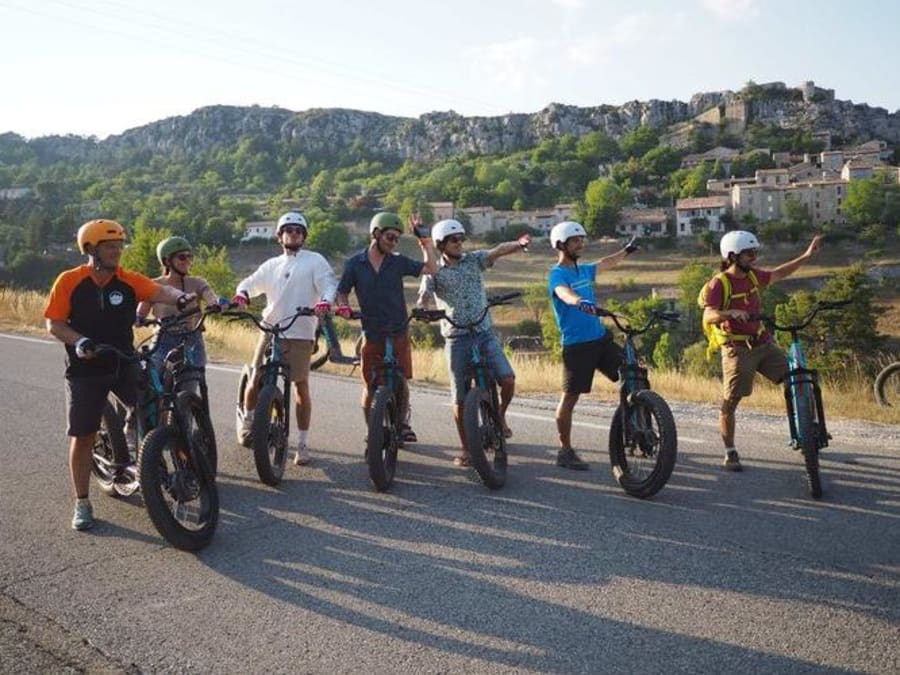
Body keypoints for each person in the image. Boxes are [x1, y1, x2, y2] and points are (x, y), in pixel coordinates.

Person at [45, 219, 196, 531]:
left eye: (119, 247)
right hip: (85, 367)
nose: (116, 252)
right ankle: (82, 503)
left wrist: (179, 298)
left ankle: (149, 461)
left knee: (152, 404)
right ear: (91, 249)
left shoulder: (127, 280)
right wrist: (80, 341)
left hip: (123, 360)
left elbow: (158, 290)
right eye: (109, 247)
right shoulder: (70, 280)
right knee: (83, 435)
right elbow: (55, 323)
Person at [702, 230, 822, 471]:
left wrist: (806, 255)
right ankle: (730, 451)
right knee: (731, 401)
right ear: (733, 256)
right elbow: (709, 314)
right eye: (749, 254)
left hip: (762, 343)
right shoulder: (720, 283)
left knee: (798, 378)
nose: (754, 258)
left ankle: (806, 433)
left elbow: (779, 273)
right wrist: (729, 313)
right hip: (738, 349)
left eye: (755, 253)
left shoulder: (754, 276)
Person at [416, 219, 529, 466]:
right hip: (456, 339)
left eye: (461, 239)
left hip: (484, 333)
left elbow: (497, 250)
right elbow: (423, 296)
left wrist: (519, 245)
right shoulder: (434, 270)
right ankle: (467, 449)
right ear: (441, 244)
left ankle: (500, 416)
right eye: (454, 240)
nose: (459, 243)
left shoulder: (474, 260)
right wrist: (421, 310)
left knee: (507, 379)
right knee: (459, 398)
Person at [233, 211, 338, 466]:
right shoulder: (271, 265)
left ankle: (302, 443)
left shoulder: (314, 261)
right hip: (271, 327)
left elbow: (329, 284)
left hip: (301, 330)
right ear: (280, 236)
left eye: (299, 231)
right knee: (257, 374)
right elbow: (250, 282)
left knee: (300, 384)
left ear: (304, 236)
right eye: (289, 230)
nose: (294, 234)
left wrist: (325, 301)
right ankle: (248, 422)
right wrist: (243, 294)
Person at [335, 212, 436, 442]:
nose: (394, 242)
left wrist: (425, 241)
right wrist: (343, 307)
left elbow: (431, 268)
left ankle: (401, 425)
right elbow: (342, 292)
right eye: (390, 237)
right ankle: (372, 430)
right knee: (370, 387)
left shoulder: (398, 261)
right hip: (371, 331)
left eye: (397, 239)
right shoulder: (355, 264)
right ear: (376, 234)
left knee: (400, 381)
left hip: (399, 329)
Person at [547, 221, 639, 471]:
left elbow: (606, 263)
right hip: (577, 347)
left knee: (634, 374)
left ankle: (635, 426)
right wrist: (579, 302)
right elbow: (563, 293)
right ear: (561, 245)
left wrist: (627, 251)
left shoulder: (584, 270)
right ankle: (565, 450)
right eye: (575, 241)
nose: (581, 244)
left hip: (600, 340)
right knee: (570, 398)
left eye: (581, 240)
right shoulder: (557, 274)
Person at [136, 236, 228, 375]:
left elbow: (208, 294)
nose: (188, 261)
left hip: (192, 340)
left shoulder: (197, 282)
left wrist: (214, 304)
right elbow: (141, 312)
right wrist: (139, 318)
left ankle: (192, 398)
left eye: (190, 257)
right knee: (153, 378)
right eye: (182, 257)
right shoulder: (154, 285)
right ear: (167, 261)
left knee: (192, 381)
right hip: (163, 340)